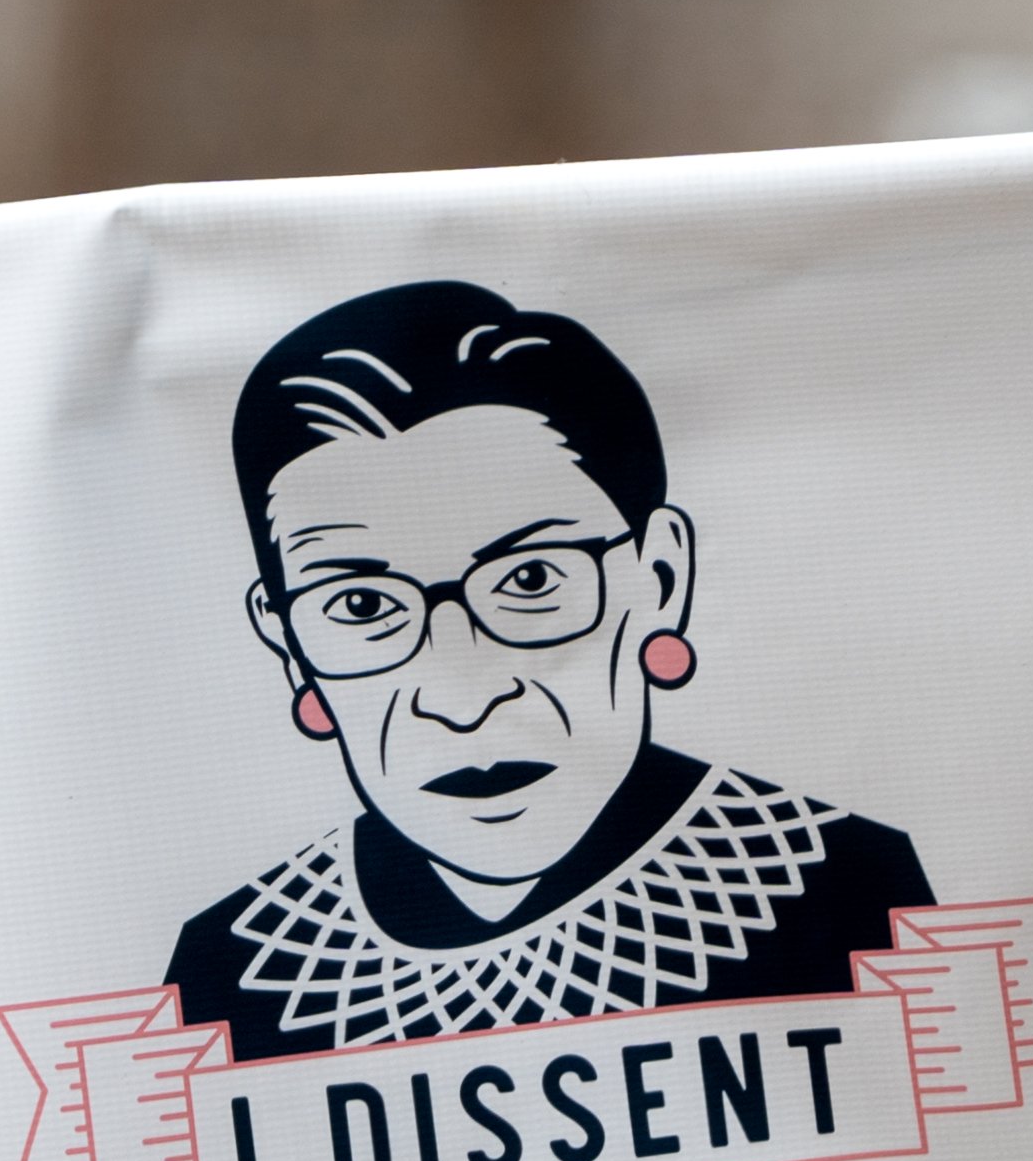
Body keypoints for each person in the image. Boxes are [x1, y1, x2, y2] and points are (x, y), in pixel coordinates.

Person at [163, 279, 931, 1059]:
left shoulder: (843, 889)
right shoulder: (230, 976)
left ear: (660, 578)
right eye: (361, 606)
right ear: (285, 637)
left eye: (531, 580)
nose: (460, 695)